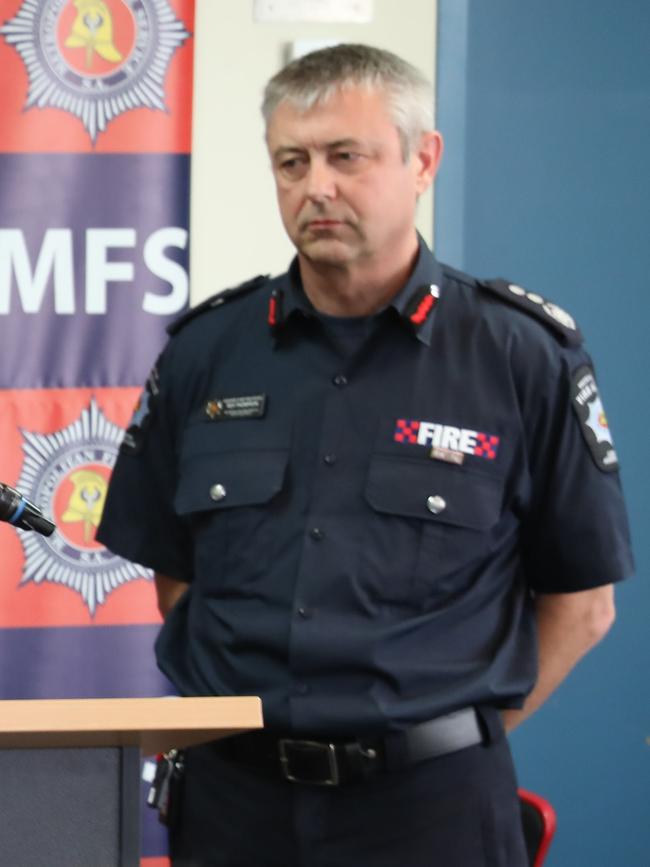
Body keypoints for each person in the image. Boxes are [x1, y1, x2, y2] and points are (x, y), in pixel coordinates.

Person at [98, 44, 634, 867]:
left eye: (346, 156)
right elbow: (176, 572)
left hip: (431, 810)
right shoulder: (207, 353)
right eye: (292, 160)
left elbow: (583, 603)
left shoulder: (522, 357)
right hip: (235, 806)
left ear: (424, 160)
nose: (317, 186)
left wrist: (435, 734)